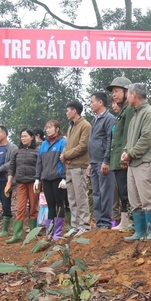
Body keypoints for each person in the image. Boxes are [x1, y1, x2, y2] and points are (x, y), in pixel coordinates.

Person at [120, 83, 151, 241]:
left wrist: (131, 153)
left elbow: (146, 138)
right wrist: (125, 151)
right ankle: (140, 231)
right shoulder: (135, 115)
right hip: (132, 162)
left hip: (144, 161)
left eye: (128, 94)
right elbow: (130, 140)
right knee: (135, 200)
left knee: (147, 198)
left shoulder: (149, 113)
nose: (127, 97)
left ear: (134, 95)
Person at [107, 76, 135, 231]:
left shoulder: (129, 109)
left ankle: (131, 221)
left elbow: (128, 135)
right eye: (112, 92)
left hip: (123, 158)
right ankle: (124, 221)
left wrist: (125, 155)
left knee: (126, 190)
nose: (114, 95)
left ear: (126, 91)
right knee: (123, 191)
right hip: (117, 158)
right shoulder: (122, 111)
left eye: (117, 91)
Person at [61, 100, 92, 236]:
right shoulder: (71, 126)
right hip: (69, 166)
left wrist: (66, 154)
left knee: (81, 197)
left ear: (74, 111)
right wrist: (64, 155)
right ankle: (75, 225)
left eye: (68, 110)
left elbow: (83, 146)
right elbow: (68, 144)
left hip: (80, 166)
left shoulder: (85, 125)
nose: (66, 113)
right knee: (72, 198)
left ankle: (85, 225)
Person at [87, 92, 116, 229]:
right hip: (94, 161)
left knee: (105, 192)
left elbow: (111, 140)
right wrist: (90, 162)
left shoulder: (109, 118)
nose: (90, 104)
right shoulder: (94, 119)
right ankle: (99, 222)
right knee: (96, 193)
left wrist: (106, 160)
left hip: (103, 162)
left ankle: (105, 222)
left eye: (92, 101)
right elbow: (93, 141)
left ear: (100, 103)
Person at [35, 120, 68, 241]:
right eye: (46, 128)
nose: (48, 130)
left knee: (59, 204)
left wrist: (64, 177)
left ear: (57, 129)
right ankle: (49, 232)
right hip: (46, 178)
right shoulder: (43, 145)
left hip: (58, 178)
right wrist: (37, 178)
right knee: (50, 205)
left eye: (50, 127)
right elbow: (39, 162)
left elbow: (65, 161)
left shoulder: (63, 143)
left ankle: (58, 233)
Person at [6, 128, 39, 243]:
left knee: (33, 207)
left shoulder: (37, 150)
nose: (23, 138)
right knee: (20, 208)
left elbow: (40, 166)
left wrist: (38, 180)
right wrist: (9, 182)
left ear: (32, 137)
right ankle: (17, 234)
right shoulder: (16, 151)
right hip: (20, 183)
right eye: (22, 136)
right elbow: (11, 168)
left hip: (33, 182)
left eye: (25, 136)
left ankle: (33, 233)